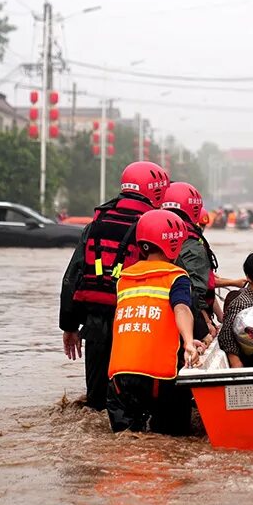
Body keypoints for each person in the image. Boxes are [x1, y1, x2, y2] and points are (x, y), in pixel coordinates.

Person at [58, 160, 169, 411]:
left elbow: (73, 276)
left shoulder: (95, 225)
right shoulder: (153, 226)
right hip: (137, 323)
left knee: (96, 405)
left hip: (95, 324)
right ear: (155, 191)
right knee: (134, 403)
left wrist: (69, 326)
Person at [106, 209, 201, 434]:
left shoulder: (124, 278)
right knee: (171, 444)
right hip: (159, 377)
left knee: (124, 445)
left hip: (119, 379)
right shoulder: (176, 276)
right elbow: (181, 308)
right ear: (175, 244)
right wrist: (188, 341)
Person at [161, 181, 218, 342]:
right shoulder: (191, 244)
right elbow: (195, 294)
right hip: (182, 319)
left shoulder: (151, 232)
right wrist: (205, 326)